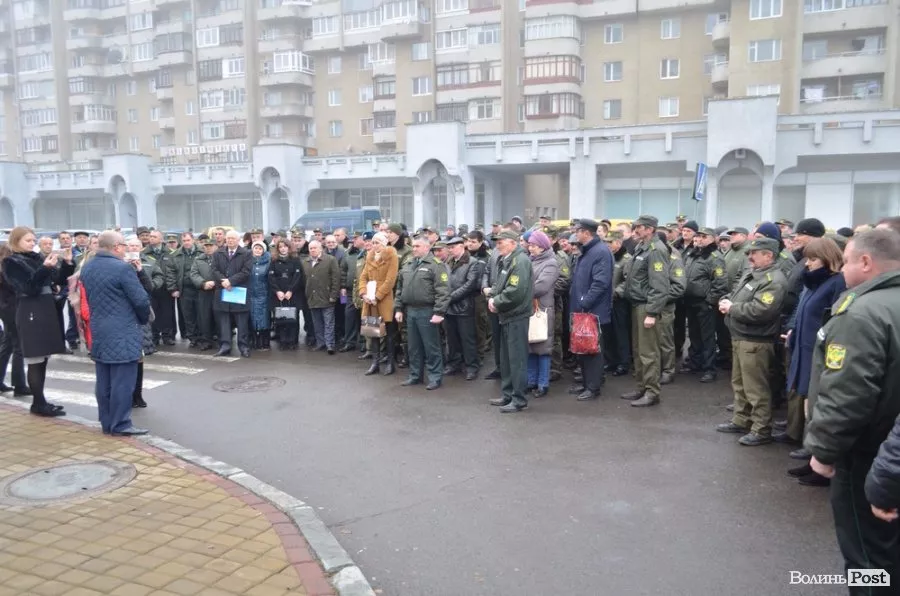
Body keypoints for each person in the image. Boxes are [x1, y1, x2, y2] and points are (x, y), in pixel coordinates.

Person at [803, 229, 900, 588]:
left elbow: (848, 394)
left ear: (865, 262)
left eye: (845, 261)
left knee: (866, 555)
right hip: (892, 450)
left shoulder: (861, 313)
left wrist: (824, 451)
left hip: (866, 455)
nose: (841, 270)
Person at [783, 237, 845, 486]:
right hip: (804, 348)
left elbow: (835, 320)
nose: (808, 264)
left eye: (813, 259)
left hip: (819, 352)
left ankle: (820, 463)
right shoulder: (814, 283)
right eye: (807, 259)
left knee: (816, 405)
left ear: (828, 259)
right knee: (808, 402)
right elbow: (802, 312)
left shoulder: (836, 283)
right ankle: (812, 458)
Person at [79, 231, 151, 435]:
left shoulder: (88, 266)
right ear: (117, 246)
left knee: (104, 380)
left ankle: (107, 421)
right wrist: (143, 318)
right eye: (125, 246)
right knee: (123, 381)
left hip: (99, 329)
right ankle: (120, 424)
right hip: (123, 331)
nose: (127, 250)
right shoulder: (122, 269)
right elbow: (141, 300)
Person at [717, 237, 787, 446]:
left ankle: (761, 429)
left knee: (756, 388)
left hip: (756, 340)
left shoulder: (773, 280)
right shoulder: (755, 274)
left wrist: (732, 308)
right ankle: (741, 419)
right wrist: (726, 300)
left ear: (768, 255)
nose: (750, 257)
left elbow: (761, 311)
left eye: (754, 253)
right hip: (741, 335)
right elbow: (736, 294)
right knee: (739, 384)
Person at [1, 227, 74, 417]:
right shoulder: (11, 262)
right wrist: (45, 268)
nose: (32, 244)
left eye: (33, 240)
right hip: (30, 310)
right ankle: (38, 403)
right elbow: (29, 288)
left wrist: (66, 263)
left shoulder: (35, 257)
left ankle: (40, 401)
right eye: (28, 240)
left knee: (43, 358)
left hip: (45, 308)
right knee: (35, 359)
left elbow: (56, 279)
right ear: (16, 241)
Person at [621, 215, 670, 407]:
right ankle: (642, 386)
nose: (636, 230)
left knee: (649, 352)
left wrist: (652, 313)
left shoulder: (656, 250)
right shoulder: (642, 247)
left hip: (647, 307)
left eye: (639, 227)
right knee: (638, 350)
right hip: (637, 304)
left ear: (650, 229)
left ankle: (652, 391)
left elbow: (659, 285)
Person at [488, 230, 534, 412]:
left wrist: (497, 301)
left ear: (513, 243)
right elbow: (501, 285)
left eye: (501, 242)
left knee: (517, 360)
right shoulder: (507, 260)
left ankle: (519, 398)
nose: (497, 246)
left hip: (516, 316)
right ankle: (508, 394)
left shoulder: (520, 261)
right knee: (506, 359)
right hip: (507, 315)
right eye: (497, 243)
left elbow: (515, 291)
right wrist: (493, 296)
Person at [395, 237, 449, 390]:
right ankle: (415, 375)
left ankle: (435, 376)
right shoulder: (409, 264)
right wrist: (398, 308)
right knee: (413, 346)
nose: (414, 248)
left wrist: (439, 311)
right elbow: (400, 288)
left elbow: (443, 291)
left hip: (427, 310)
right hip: (410, 310)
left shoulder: (436, 265)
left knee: (431, 346)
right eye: (413, 246)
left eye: (418, 246)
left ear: (427, 247)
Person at [568, 220, 613, 401]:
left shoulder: (600, 251)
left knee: (593, 350)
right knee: (583, 348)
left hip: (593, 310)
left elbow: (600, 283)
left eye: (577, 231)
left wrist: (585, 302)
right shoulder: (587, 250)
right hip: (582, 309)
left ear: (586, 232)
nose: (575, 234)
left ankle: (593, 387)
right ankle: (587, 384)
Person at [443, 236, 483, 381]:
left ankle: (472, 366)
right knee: (452, 338)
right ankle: (454, 363)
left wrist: (450, 297)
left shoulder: (473, 263)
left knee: (468, 339)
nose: (450, 250)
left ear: (461, 246)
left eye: (453, 247)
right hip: (449, 307)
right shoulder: (448, 262)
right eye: (449, 247)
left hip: (464, 306)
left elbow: (470, 285)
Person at [525, 230, 560, 398]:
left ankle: (542, 383)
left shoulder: (551, 263)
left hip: (542, 310)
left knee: (543, 349)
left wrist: (519, 291)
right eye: (530, 245)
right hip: (529, 309)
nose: (530, 248)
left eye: (534, 246)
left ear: (543, 246)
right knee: (531, 347)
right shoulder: (531, 260)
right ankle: (531, 380)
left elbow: (541, 287)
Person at [358, 232, 399, 375]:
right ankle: (375, 363)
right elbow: (363, 277)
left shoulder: (391, 255)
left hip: (385, 298)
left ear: (384, 243)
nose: (374, 245)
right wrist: (363, 293)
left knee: (389, 332)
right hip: (369, 299)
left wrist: (378, 295)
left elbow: (390, 280)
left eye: (378, 243)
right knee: (373, 331)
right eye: (373, 242)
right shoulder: (369, 256)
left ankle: (390, 363)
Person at [211, 230, 252, 358]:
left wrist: (231, 281)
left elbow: (246, 271)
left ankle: (243, 346)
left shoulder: (246, 253)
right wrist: (224, 281)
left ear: (238, 239)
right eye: (228, 238)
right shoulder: (218, 253)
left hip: (238, 291)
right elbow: (214, 269)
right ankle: (225, 346)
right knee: (224, 320)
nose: (230, 240)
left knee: (242, 322)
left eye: (233, 238)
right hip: (223, 291)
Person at [303, 240, 341, 354]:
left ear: (321, 248)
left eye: (315, 248)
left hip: (327, 297)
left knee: (329, 322)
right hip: (312, 298)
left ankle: (330, 345)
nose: (313, 250)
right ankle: (321, 343)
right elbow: (304, 280)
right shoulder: (305, 262)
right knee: (317, 323)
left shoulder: (330, 260)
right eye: (310, 248)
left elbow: (336, 279)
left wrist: (334, 295)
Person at [0, 244, 29, 396]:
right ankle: (19, 384)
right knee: (18, 346)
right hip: (12, 308)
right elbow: (16, 287)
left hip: (5, 308)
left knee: (7, 344)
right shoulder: (6, 270)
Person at [166, 232, 201, 347]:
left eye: (188, 240)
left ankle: (203, 337)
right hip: (184, 290)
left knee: (201, 314)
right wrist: (173, 289)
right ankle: (193, 338)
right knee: (188, 315)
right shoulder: (176, 255)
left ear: (193, 240)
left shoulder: (201, 252)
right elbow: (170, 272)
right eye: (184, 241)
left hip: (200, 289)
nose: (186, 243)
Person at [268, 240, 303, 350]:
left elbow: (298, 277)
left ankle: (292, 341)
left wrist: (290, 290)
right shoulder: (273, 261)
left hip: (292, 294)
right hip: (279, 294)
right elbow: (271, 277)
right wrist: (277, 291)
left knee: (293, 318)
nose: (283, 249)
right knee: (281, 318)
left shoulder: (295, 260)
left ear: (289, 247)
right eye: (280, 247)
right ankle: (283, 341)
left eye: (285, 246)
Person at [189, 237, 219, 351]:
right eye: (206, 246)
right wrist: (203, 283)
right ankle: (206, 341)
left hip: (218, 291)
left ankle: (221, 339)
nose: (208, 248)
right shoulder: (198, 260)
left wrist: (216, 283)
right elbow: (193, 274)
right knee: (204, 317)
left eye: (211, 245)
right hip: (204, 292)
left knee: (219, 317)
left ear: (215, 246)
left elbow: (226, 272)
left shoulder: (221, 258)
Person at [248, 241, 272, 350]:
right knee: (252, 318)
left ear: (263, 250)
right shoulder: (247, 261)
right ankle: (254, 341)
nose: (257, 250)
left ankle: (265, 341)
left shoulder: (268, 262)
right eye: (255, 248)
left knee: (264, 318)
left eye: (260, 248)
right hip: (251, 294)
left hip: (264, 294)